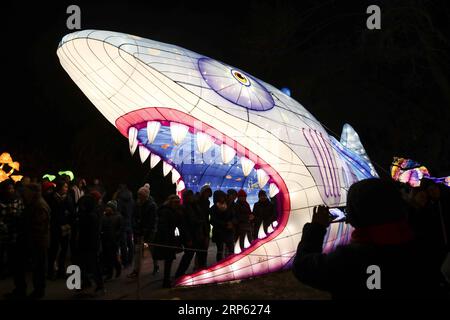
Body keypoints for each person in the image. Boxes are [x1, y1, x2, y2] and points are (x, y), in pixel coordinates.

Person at [292, 178, 442, 299]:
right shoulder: (422, 249)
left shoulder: (350, 259)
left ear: (355, 216)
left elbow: (303, 267)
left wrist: (316, 228)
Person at [21, 183, 50, 299]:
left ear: (33, 192)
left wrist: (26, 227)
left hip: (39, 241)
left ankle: (39, 291)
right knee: (38, 266)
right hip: (38, 240)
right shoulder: (35, 203)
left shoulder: (39, 205)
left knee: (39, 267)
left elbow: (40, 225)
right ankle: (38, 289)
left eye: (27, 191)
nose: (25, 193)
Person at [1, 180, 25, 298]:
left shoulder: (18, 200)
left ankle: (20, 289)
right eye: (8, 188)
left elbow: (21, 215)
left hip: (17, 236)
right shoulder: (1, 201)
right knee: (12, 262)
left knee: (17, 263)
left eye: (11, 188)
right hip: (5, 235)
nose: (10, 190)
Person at [128, 184, 158, 278]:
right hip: (139, 230)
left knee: (152, 250)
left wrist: (147, 230)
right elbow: (133, 216)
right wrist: (135, 226)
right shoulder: (137, 204)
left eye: (141, 195)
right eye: (138, 194)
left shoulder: (151, 205)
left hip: (149, 231)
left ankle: (156, 265)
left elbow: (152, 220)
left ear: (145, 195)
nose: (139, 197)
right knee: (137, 251)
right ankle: (136, 270)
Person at [153, 195, 183, 288]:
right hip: (166, 239)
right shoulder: (166, 211)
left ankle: (167, 280)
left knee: (169, 260)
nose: (177, 204)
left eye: (178, 202)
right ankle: (166, 281)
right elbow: (164, 227)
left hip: (169, 237)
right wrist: (167, 240)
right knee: (168, 259)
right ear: (171, 202)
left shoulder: (172, 211)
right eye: (175, 202)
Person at [47, 180, 74, 279]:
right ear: (59, 187)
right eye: (65, 187)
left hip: (65, 227)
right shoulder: (51, 197)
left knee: (64, 249)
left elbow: (72, 212)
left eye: (67, 187)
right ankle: (50, 271)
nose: (66, 189)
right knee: (53, 250)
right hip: (55, 227)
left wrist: (69, 223)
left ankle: (61, 271)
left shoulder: (68, 198)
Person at [77, 194, 104, 293]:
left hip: (89, 243)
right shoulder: (93, 212)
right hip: (89, 243)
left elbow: (88, 231)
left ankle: (99, 285)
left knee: (92, 264)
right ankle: (88, 282)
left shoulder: (91, 215)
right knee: (86, 264)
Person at [175, 190, 203, 278]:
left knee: (192, 254)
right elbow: (184, 225)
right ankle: (179, 274)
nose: (192, 198)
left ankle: (181, 273)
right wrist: (188, 238)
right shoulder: (184, 208)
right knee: (188, 255)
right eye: (190, 196)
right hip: (190, 235)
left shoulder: (193, 206)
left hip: (195, 234)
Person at [101, 200, 123, 280]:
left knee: (112, 257)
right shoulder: (104, 216)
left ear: (113, 208)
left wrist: (116, 237)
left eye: (109, 207)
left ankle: (112, 272)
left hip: (113, 241)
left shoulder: (118, 217)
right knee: (108, 257)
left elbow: (120, 229)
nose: (107, 208)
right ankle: (111, 271)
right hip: (105, 240)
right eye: (107, 207)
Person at [210, 190, 234, 261]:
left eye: (222, 196)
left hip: (228, 231)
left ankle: (231, 262)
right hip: (219, 232)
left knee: (230, 249)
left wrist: (231, 222)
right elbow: (213, 221)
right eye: (220, 196)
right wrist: (225, 224)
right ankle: (220, 264)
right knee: (220, 250)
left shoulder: (228, 206)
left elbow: (233, 216)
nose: (222, 198)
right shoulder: (213, 208)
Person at [114, 184, 135, 268]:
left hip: (122, 223)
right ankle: (130, 260)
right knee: (130, 243)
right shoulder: (132, 199)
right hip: (130, 223)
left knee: (123, 244)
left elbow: (118, 212)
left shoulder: (120, 200)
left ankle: (125, 262)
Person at [194, 185, 212, 269]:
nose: (207, 194)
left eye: (208, 192)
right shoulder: (197, 201)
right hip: (199, 226)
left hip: (206, 225)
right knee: (200, 247)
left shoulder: (207, 202)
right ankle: (198, 265)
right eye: (206, 192)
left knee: (205, 246)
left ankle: (202, 264)